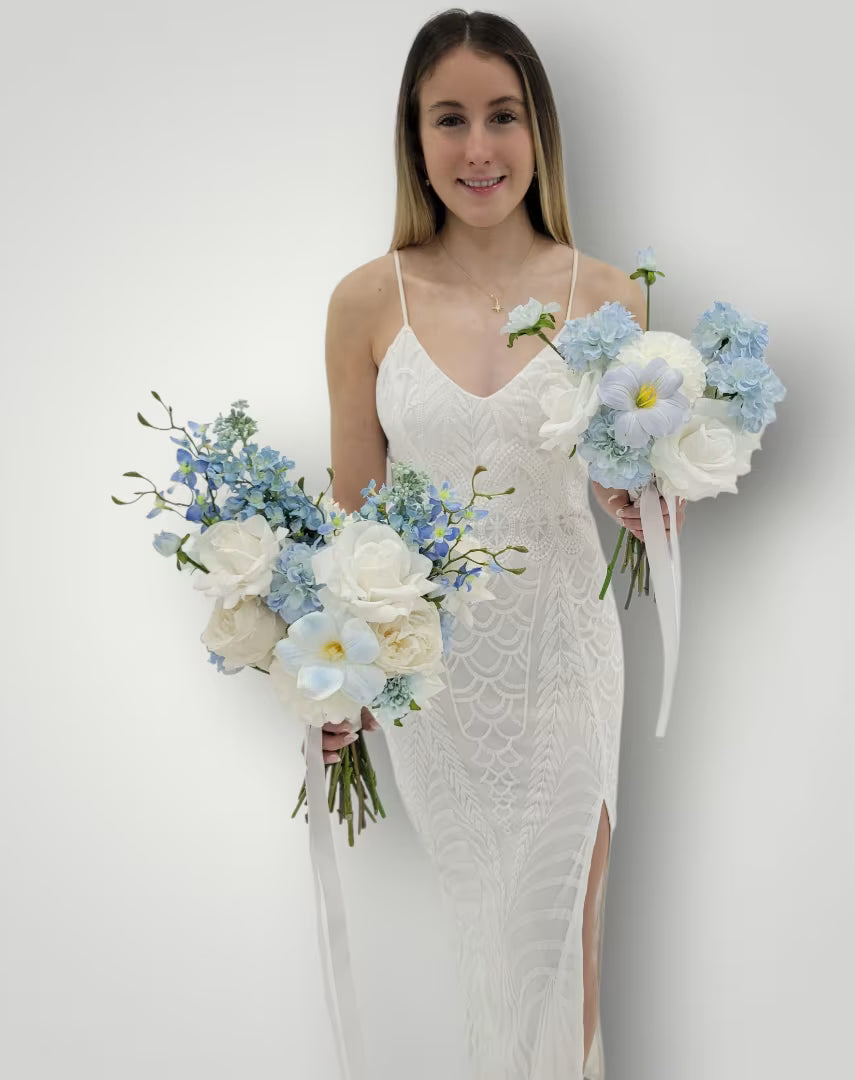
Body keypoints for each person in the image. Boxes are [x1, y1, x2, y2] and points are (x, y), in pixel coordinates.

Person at [321, 10, 685, 1078]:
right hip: (436, 684)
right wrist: (336, 685)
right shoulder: (364, 302)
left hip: (566, 661)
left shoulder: (610, 297)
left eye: (502, 116)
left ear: (539, 132)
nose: (478, 149)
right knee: (485, 940)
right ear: (415, 137)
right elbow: (356, 517)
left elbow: (640, 483)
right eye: (450, 119)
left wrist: (643, 504)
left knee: (559, 936)